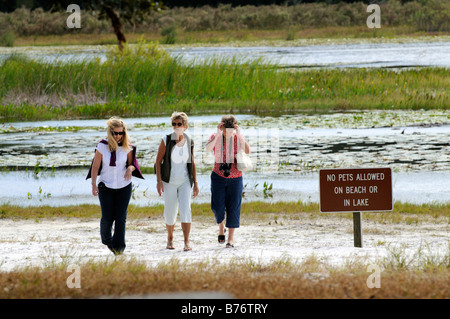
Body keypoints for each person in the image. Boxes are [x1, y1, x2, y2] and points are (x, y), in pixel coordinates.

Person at [86, 117, 144, 255]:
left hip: (124, 186)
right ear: (110, 132)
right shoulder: (101, 146)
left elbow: (132, 164)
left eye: (121, 133)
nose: (118, 136)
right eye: (115, 133)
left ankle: (119, 249)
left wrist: (130, 169)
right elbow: (95, 166)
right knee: (107, 218)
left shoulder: (127, 146)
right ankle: (107, 241)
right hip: (106, 186)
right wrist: (93, 184)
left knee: (120, 218)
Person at [155, 112, 199, 251]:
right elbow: (158, 162)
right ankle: (170, 238)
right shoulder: (166, 140)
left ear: (185, 126)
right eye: (174, 124)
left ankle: (186, 241)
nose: (176, 126)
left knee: (186, 209)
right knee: (170, 211)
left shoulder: (189, 140)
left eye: (179, 124)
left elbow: (192, 162)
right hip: (169, 181)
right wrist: (159, 181)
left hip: (185, 181)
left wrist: (195, 183)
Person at [206, 115, 250, 248]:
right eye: (226, 130)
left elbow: (248, 151)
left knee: (234, 207)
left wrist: (239, 133)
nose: (228, 133)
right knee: (217, 207)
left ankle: (231, 238)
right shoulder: (216, 136)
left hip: (236, 178)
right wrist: (218, 133)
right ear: (222, 127)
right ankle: (221, 227)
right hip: (218, 176)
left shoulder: (238, 137)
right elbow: (208, 149)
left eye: (231, 130)